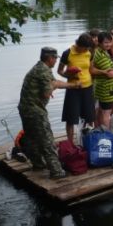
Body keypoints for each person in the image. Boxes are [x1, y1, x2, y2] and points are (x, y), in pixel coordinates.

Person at [18, 47, 81, 179]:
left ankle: (38, 164)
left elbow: (54, 82)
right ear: (50, 58)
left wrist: (73, 85)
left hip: (25, 109)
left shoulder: (41, 67)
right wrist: (55, 85)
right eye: (55, 59)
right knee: (47, 141)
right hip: (35, 111)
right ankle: (57, 172)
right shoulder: (43, 71)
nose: (55, 61)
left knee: (31, 138)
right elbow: (48, 92)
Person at [58, 33, 95, 142]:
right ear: (79, 44)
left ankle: (89, 141)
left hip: (87, 88)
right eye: (85, 48)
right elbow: (60, 71)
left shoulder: (89, 53)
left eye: (88, 48)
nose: (86, 50)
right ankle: (70, 144)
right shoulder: (67, 53)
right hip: (73, 89)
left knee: (90, 118)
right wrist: (69, 75)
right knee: (71, 119)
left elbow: (91, 69)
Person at [89, 32, 113, 127]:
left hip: (103, 87)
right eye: (106, 42)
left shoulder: (102, 51)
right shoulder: (100, 55)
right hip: (106, 88)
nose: (109, 44)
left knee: (101, 110)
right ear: (100, 43)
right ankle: (107, 134)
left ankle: (99, 129)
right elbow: (110, 73)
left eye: (110, 42)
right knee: (106, 113)